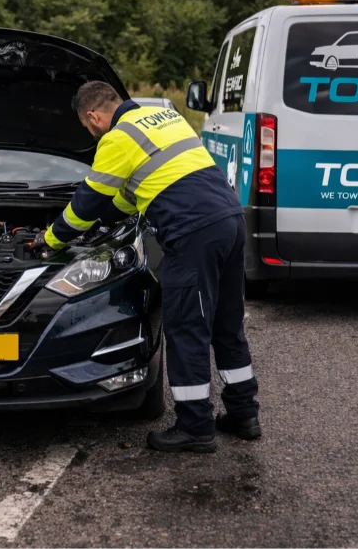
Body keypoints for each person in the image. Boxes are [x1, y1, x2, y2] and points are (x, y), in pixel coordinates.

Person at [31, 81, 260, 453]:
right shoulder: (163, 118)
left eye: (87, 126)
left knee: (186, 329)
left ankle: (195, 428)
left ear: (93, 115)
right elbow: (127, 194)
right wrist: (106, 225)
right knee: (226, 324)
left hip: (193, 232)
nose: (90, 132)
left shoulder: (117, 138)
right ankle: (244, 415)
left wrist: (51, 239)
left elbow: (86, 203)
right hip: (229, 222)